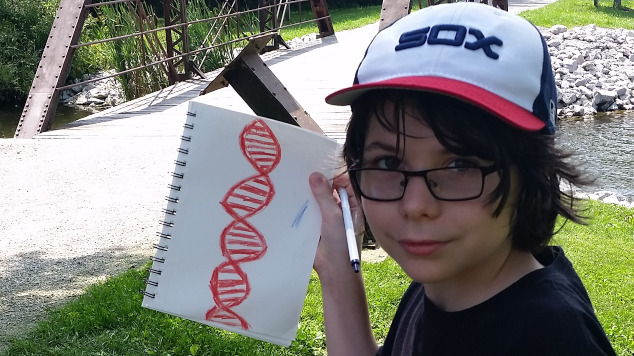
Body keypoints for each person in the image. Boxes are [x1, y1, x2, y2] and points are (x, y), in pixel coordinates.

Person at [308, 3, 617, 355]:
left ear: (532, 172)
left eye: (459, 165)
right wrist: (337, 271)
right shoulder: (449, 283)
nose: (416, 206)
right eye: (388, 161)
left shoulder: (550, 337)